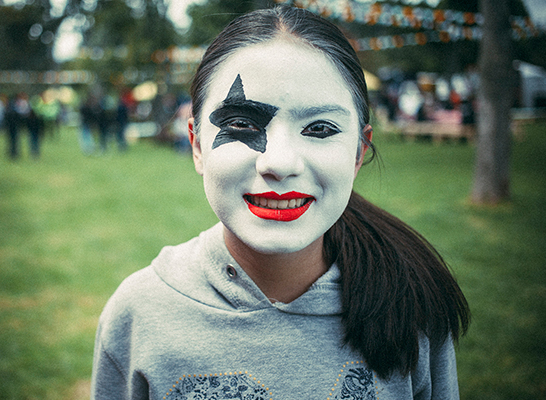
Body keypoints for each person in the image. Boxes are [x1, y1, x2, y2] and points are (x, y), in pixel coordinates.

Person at [91, 6, 469, 399]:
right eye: (241, 124)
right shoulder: (140, 314)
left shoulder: (412, 305)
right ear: (197, 144)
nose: (280, 162)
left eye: (320, 128)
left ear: (358, 152)